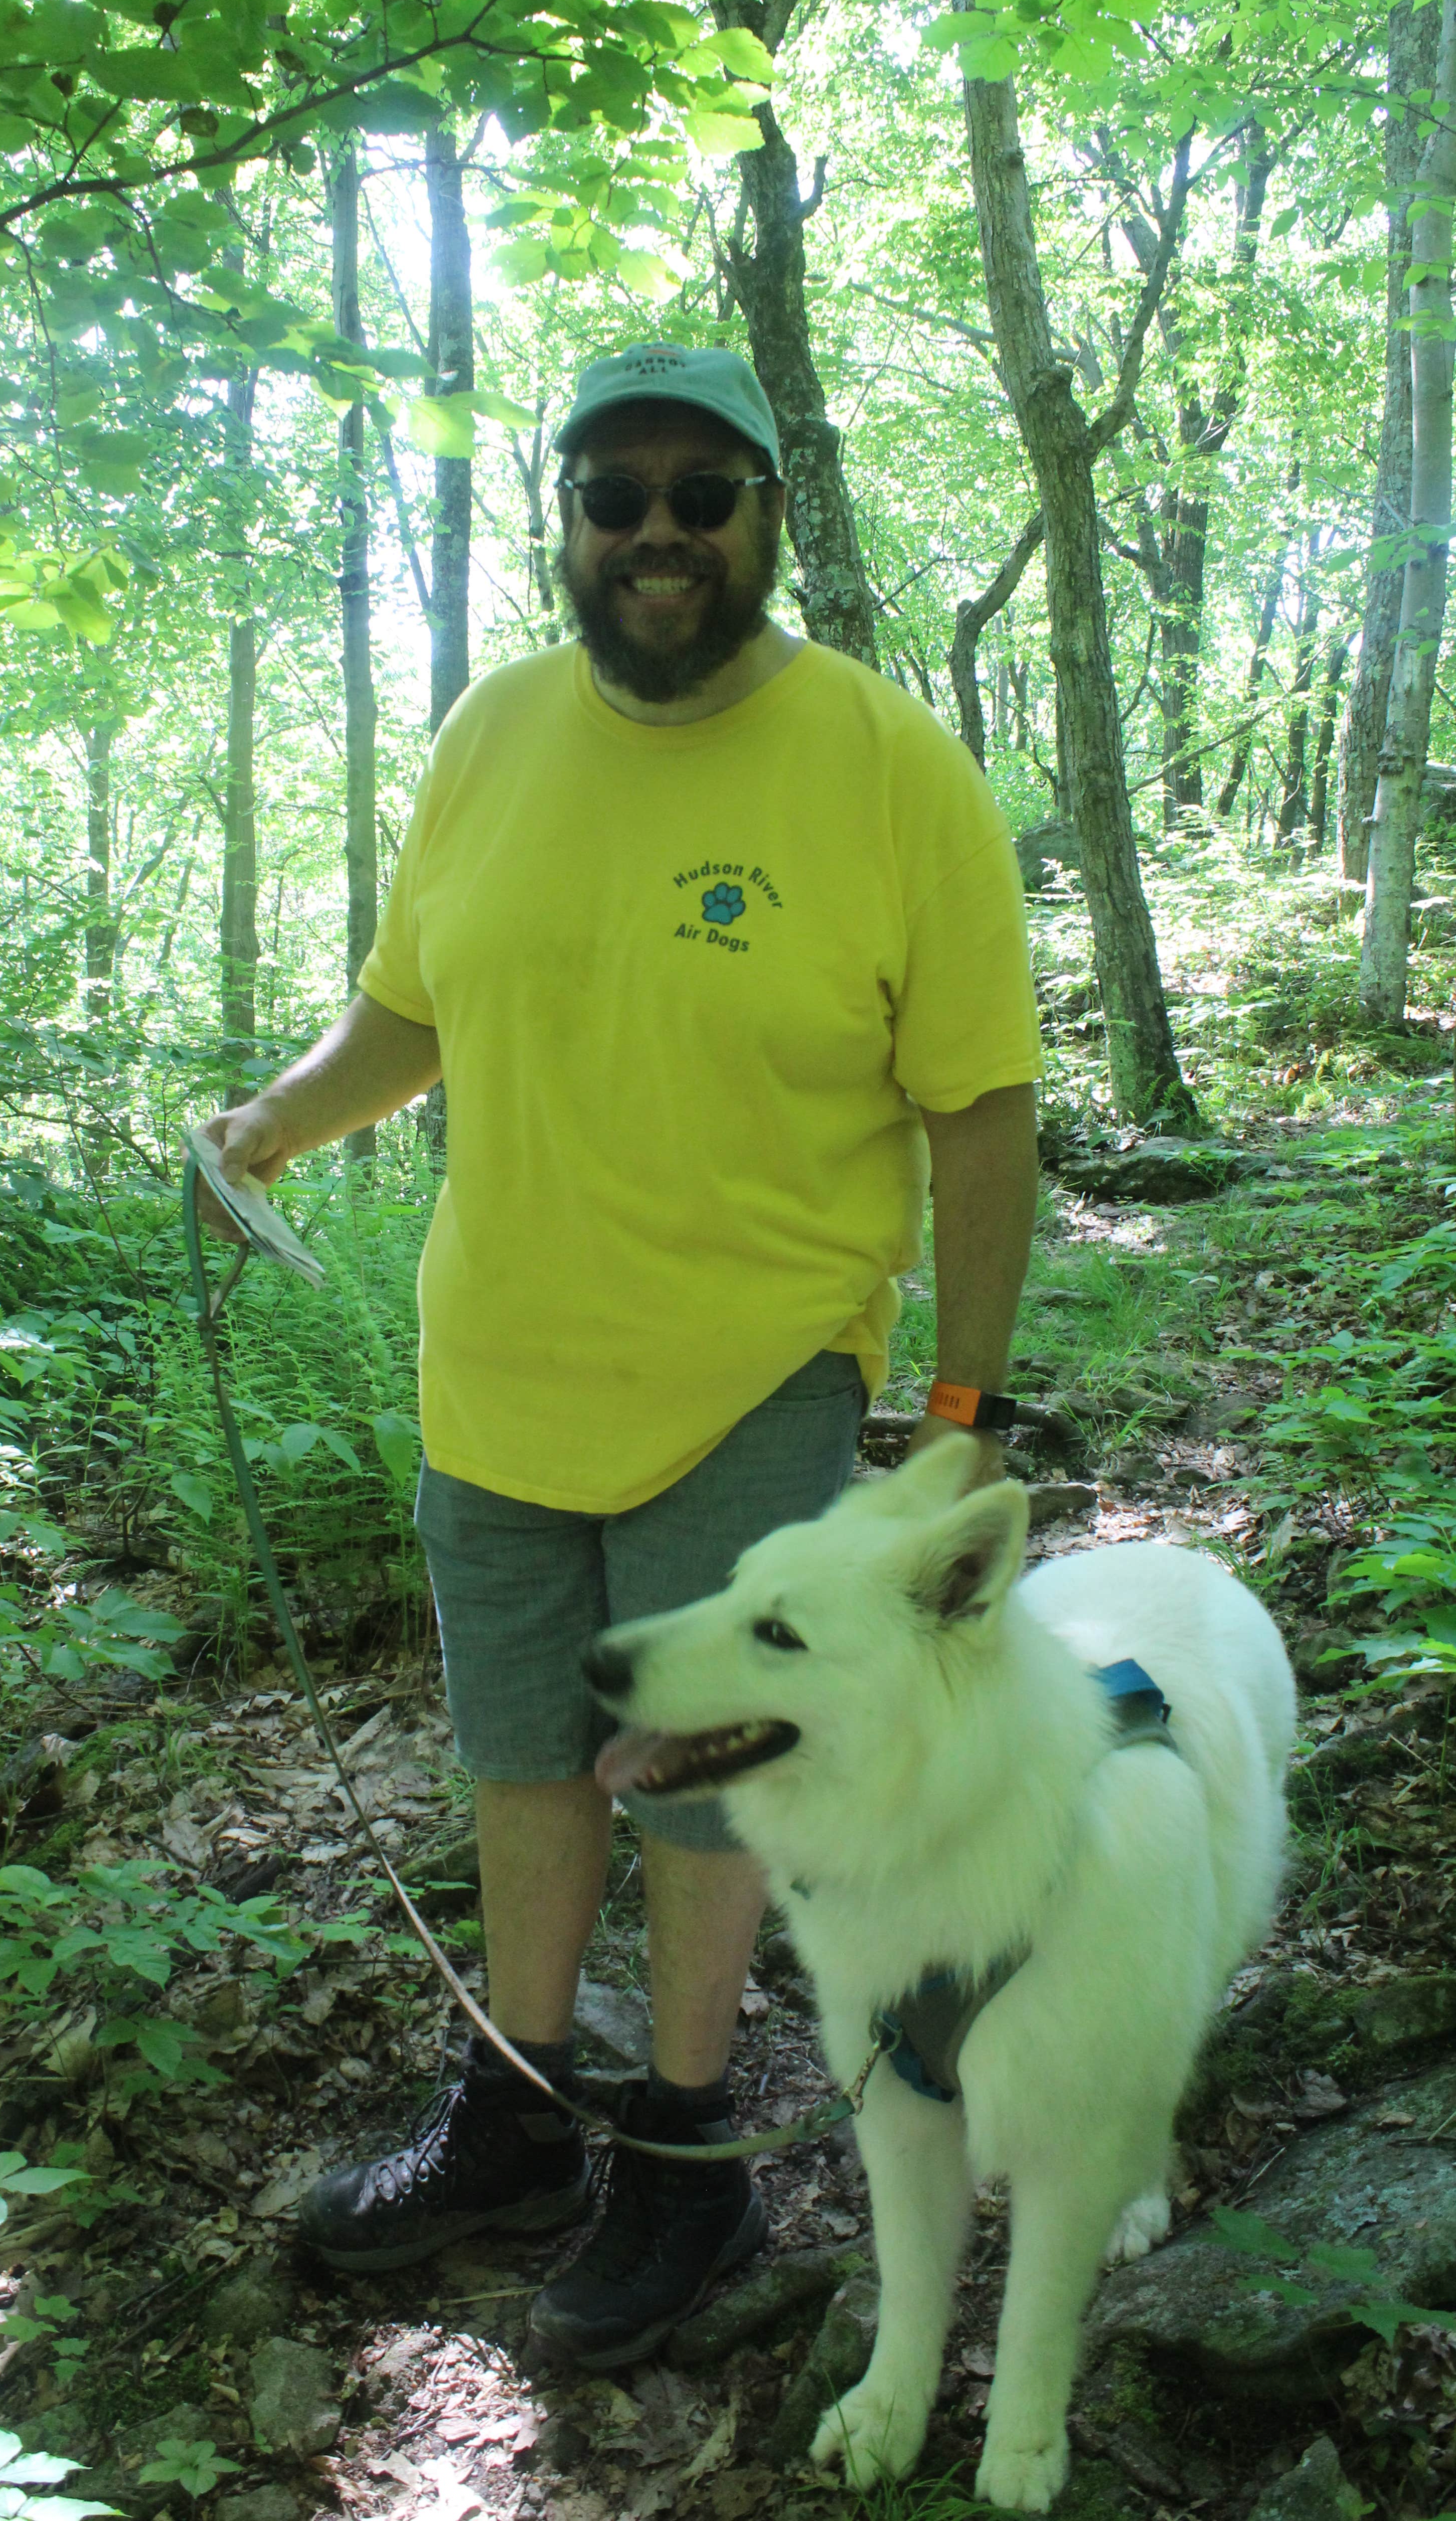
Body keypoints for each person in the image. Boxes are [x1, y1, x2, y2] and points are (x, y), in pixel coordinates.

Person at [197, 341, 1043, 2369]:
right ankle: (510, 2098)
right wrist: (274, 1124)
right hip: (492, 1368)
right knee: (521, 1764)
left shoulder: (885, 762)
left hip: (747, 1371)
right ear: (564, 522)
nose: (656, 533)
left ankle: (687, 2157)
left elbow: (986, 1105)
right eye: (614, 494)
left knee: (690, 1787)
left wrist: (962, 1412)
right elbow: (416, 1007)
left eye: (700, 492)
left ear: (767, 513)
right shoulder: (491, 735)